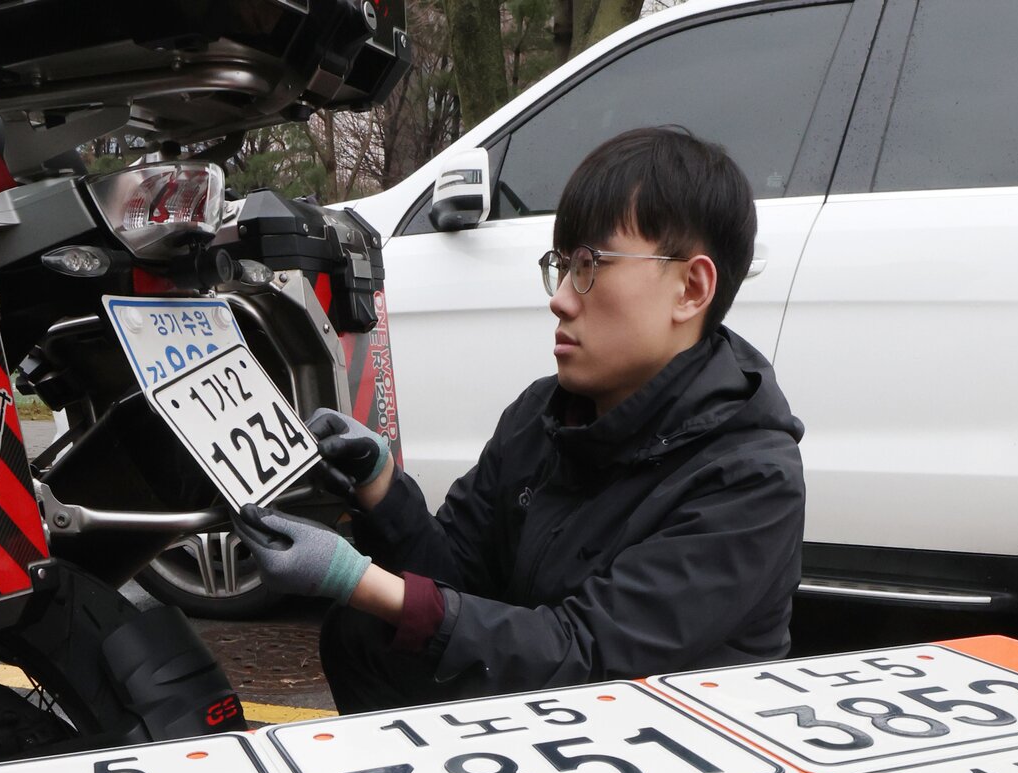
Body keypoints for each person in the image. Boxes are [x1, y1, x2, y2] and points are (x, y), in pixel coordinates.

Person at [233, 125, 806, 713]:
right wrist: (380, 487)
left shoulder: (751, 478)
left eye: (590, 265)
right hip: (553, 725)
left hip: (674, 742)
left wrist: (356, 579)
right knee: (365, 635)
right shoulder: (544, 414)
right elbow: (458, 575)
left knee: (377, 613)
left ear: (691, 288)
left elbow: (589, 655)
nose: (560, 298)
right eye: (561, 265)